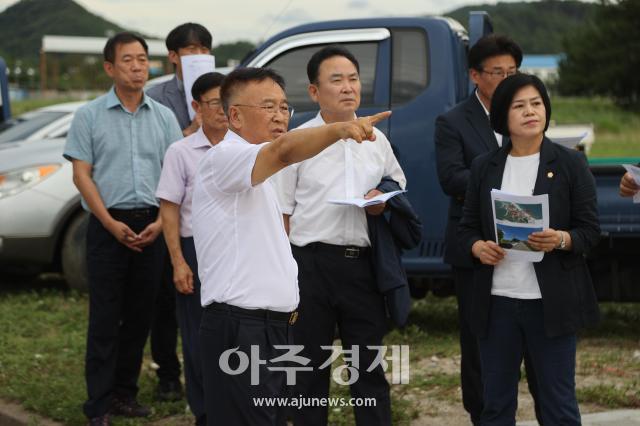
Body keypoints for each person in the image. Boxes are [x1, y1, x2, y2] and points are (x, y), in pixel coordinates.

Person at [191, 67, 390, 426]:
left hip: (272, 327)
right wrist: (340, 129)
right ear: (234, 115)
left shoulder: (258, 171)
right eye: (268, 107)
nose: (280, 115)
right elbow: (283, 151)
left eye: (284, 107)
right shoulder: (225, 159)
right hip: (240, 327)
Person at [457, 73, 601, 425]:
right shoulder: (484, 167)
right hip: (498, 304)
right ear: (503, 116)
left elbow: (591, 232)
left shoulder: (570, 164)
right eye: (519, 106)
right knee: (496, 405)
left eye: (536, 103)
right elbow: (465, 230)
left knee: (558, 405)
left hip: (550, 304)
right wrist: (478, 247)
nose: (530, 111)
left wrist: (561, 239)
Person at [275, 45, 405, 426]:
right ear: (314, 91)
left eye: (353, 78)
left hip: (361, 267)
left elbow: (396, 182)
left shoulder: (376, 140)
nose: (348, 87)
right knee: (307, 372)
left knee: (369, 369)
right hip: (310, 267)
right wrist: (286, 275)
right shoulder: (298, 141)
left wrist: (382, 199)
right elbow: (282, 213)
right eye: (336, 80)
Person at [63, 32, 183, 425]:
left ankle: (124, 395)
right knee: (104, 317)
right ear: (110, 68)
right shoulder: (90, 116)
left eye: (142, 59)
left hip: (152, 223)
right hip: (106, 223)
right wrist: (109, 222)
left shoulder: (163, 117)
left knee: (139, 316)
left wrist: (158, 223)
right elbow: (82, 176)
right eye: (128, 60)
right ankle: (97, 404)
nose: (137, 66)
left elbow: (174, 175)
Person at [434, 34, 542, 425]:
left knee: (535, 339)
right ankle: (483, 415)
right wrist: (503, 187)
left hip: (530, 242)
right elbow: (450, 178)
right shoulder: (452, 121)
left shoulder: (531, 112)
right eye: (497, 72)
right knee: (479, 340)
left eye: (513, 71)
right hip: (477, 243)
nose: (507, 78)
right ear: (475, 76)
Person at [155, 72, 227, 426]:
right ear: (197, 107)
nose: (223, 110)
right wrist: (178, 262)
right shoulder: (180, 152)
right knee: (199, 337)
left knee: (238, 335)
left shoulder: (244, 148)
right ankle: (204, 411)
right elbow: (169, 209)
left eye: (228, 102)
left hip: (236, 252)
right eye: (215, 102)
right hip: (195, 250)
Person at [147, 22, 213, 400]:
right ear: (173, 56)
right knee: (165, 298)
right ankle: (168, 374)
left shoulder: (223, 87)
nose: (197, 55)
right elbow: (164, 152)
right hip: (168, 206)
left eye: (204, 48)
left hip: (206, 215)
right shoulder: (157, 97)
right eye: (190, 49)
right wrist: (192, 128)